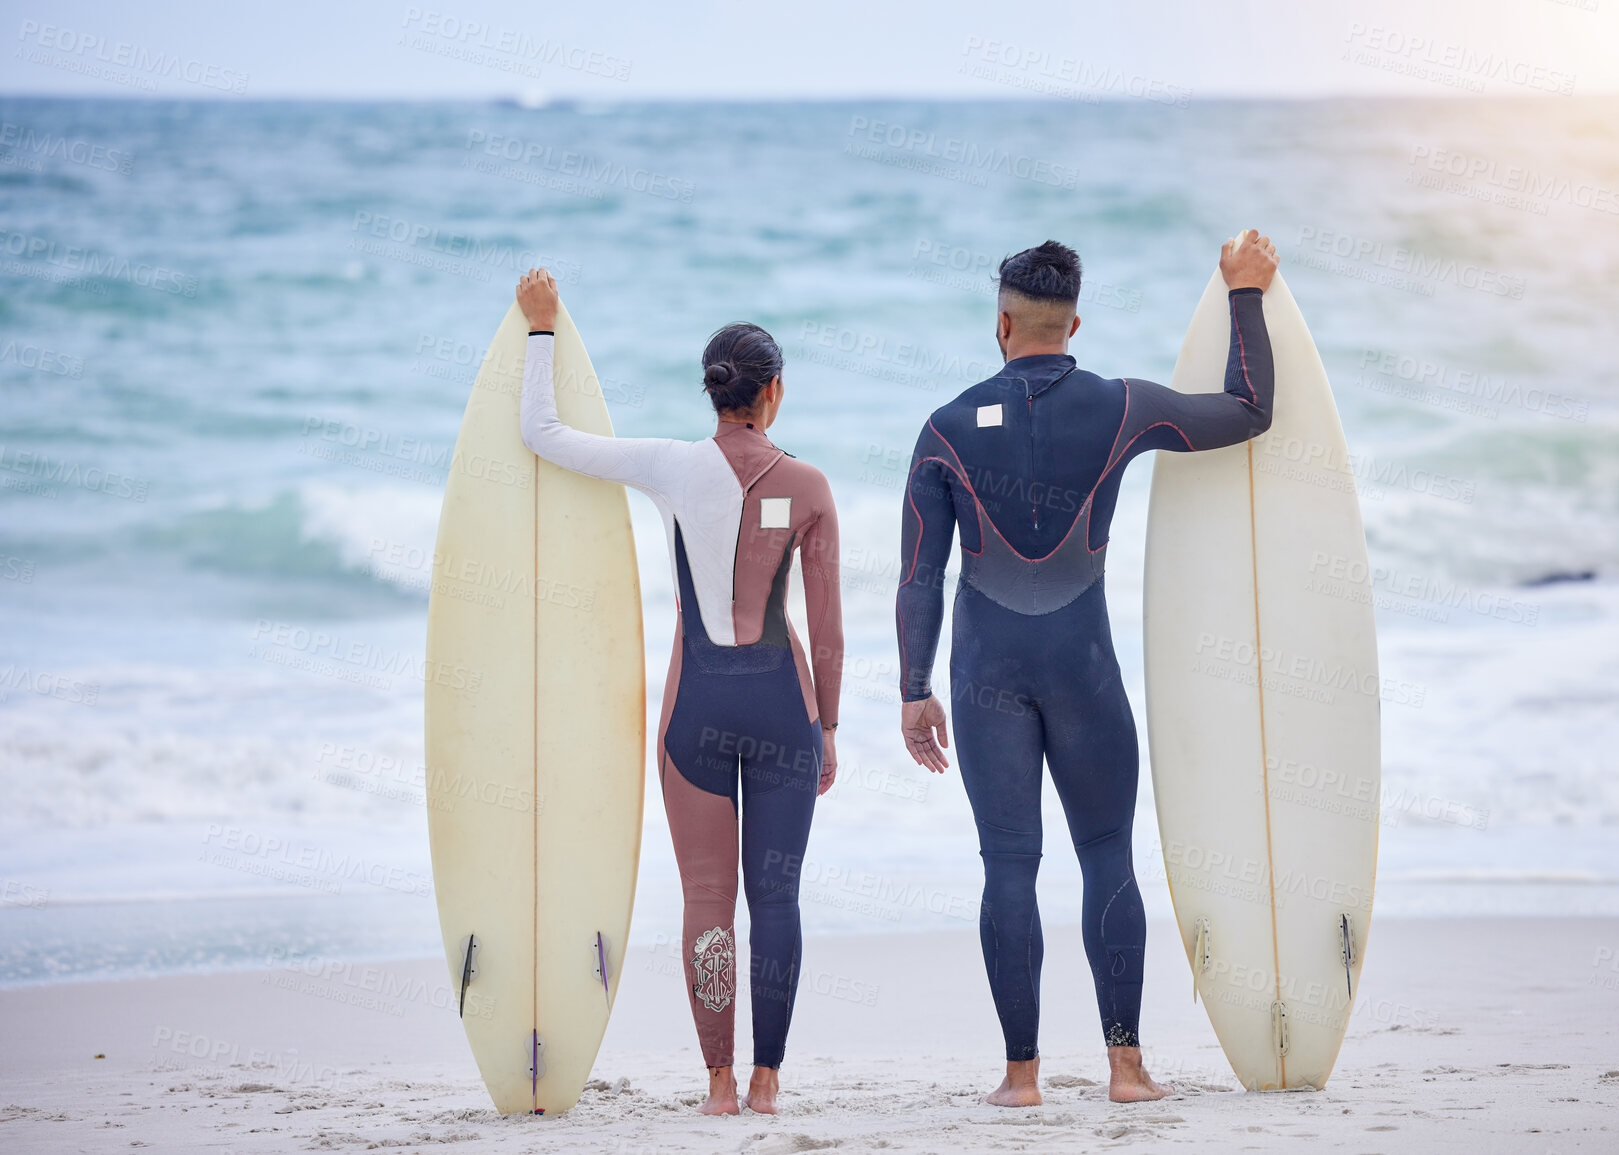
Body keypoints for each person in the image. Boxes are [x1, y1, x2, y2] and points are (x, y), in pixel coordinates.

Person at [895, 235, 1279, 1106]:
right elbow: (1249, 409)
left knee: (1007, 864)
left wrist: (913, 690)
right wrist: (1243, 293)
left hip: (983, 673)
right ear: (1075, 323)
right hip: (1085, 666)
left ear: (1000, 324)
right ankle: (1125, 1067)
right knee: (1107, 854)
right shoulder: (1120, 406)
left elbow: (919, 575)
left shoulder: (944, 427)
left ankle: (1020, 1077)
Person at [514, 269, 844, 1116]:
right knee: (776, 897)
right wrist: (829, 730)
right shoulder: (808, 487)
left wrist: (541, 329)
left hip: (694, 712)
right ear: (773, 392)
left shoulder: (667, 466)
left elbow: (544, 433)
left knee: (707, 900)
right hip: (784, 710)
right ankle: (769, 1081)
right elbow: (831, 632)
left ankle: (720, 1084)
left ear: (713, 391)